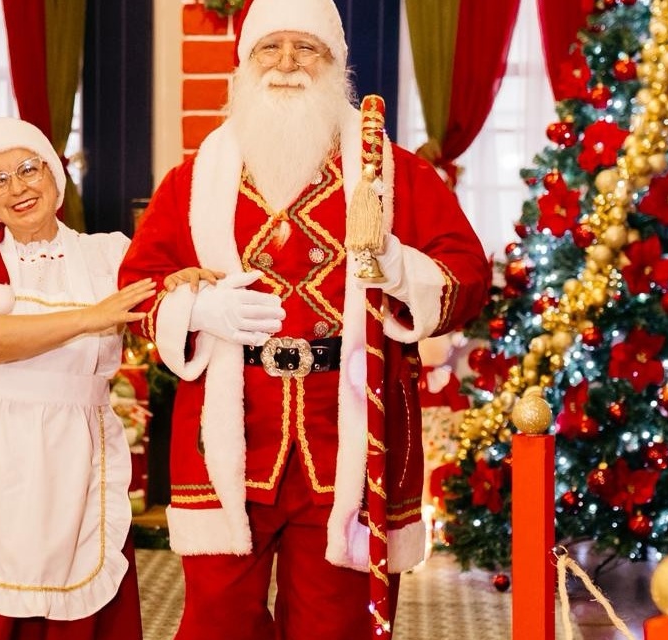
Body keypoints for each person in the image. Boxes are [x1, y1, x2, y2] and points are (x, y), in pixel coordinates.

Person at [117, 0, 491, 637]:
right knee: (217, 621)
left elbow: (468, 275)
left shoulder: (391, 173)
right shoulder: (194, 178)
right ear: (244, 63)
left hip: (344, 432)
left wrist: (398, 268)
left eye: (305, 48)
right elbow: (137, 288)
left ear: (335, 63)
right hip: (228, 434)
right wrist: (199, 308)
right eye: (270, 48)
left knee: (333, 623)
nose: (287, 64)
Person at [0, 117, 203, 640]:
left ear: (53, 173)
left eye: (27, 169)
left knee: (79, 588)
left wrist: (182, 283)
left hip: (79, 457)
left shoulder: (109, 253)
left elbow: (158, 306)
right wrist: (89, 317)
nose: (18, 188)